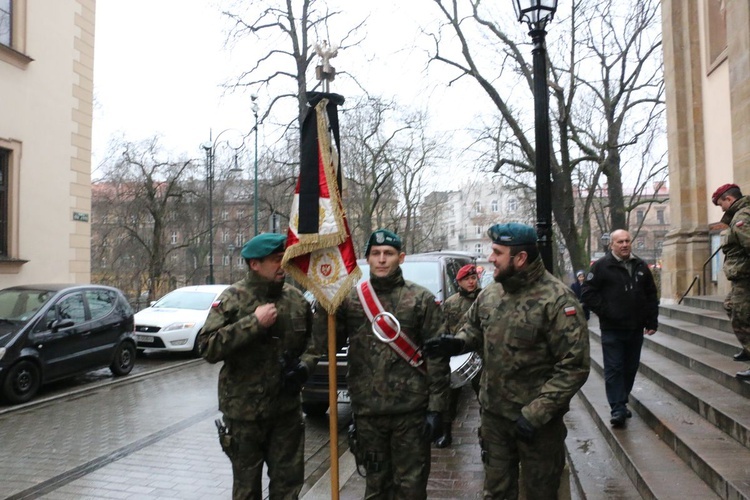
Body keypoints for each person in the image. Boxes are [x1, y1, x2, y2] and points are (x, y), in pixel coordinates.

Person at [424, 222, 590, 499]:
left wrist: (537, 412)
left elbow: (574, 366)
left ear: (520, 258)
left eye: (497, 252)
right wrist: (457, 343)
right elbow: (474, 328)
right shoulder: (491, 293)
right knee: (496, 493)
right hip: (494, 419)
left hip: (536, 426)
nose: (490, 258)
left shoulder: (558, 300)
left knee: (540, 493)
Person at [317, 229, 450, 499]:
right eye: (375, 254)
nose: (381, 259)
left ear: (400, 258)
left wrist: (437, 409)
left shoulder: (421, 300)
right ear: (367, 259)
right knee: (376, 488)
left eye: (388, 254)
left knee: (411, 489)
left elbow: (438, 358)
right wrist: (323, 305)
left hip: (411, 414)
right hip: (368, 414)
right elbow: (325, 344)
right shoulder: (351, 300)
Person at [197, 233, 320, 500]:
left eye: (284, 259)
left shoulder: (296, 300)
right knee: (246, 490)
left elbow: (313, 345)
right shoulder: (232, 299)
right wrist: (253, 323)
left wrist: (304, 368)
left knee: (288, 487)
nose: (282, 266)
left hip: (286, 412)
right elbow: (208, 347)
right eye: (276, 260)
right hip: (244, 415)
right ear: (255, 264)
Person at [581, 229, 659, 428]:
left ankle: (622, 401)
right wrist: (607, 311)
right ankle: (617, 408)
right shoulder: (601, 267)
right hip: (612, 329)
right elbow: (588, 294)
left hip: (635, 327)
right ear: (612, 245)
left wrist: (652, 320)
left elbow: (651, 294)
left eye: (627, 241)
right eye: (620, 242)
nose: (624, 245)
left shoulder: (640, 265)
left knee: (630, 368)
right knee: (614, 367)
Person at [435, 263, 482, 448]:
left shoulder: (484, 298)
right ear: (459, 282)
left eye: (473, 278)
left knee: (485, 396)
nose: (471, 282)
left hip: (481, 354)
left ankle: (488, 438)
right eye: (466, 279)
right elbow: (443, 328)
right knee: (450, 397)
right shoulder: (451, 303)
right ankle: (446, 433)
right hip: (458, 355)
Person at [711, 183, 750, 379]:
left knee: (742, 317)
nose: (722, 209)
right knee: (730, 306)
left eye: (721, 204)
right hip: (741, 276)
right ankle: (747, 347)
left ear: (728, 199)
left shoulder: (741, 218)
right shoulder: (739, 215)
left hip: (746, 276)